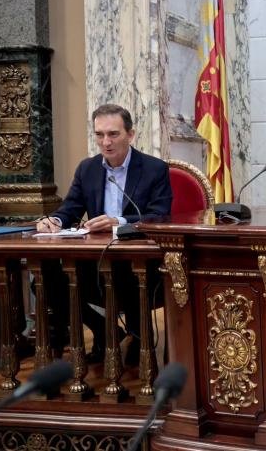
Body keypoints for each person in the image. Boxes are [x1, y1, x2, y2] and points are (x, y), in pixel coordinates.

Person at [37, 103, 172, 364]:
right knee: (47, 277)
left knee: (130, 278)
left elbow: (160, 215)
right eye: (99, 135)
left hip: (139, 260)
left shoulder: (154, 168)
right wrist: (53, 220)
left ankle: (139, 337)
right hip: (96, 257)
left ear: (130, 135)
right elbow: (70, 209)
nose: (106, 142)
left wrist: (117, 221)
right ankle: (104, 330)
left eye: (113, 134)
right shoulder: (87, 169)